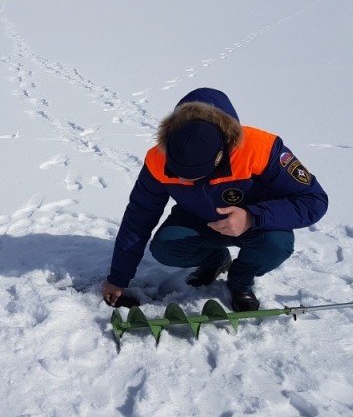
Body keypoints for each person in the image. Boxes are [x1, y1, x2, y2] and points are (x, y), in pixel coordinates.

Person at [102, 88, 327, 312]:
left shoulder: (260, 149)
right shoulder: (158, 159)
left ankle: (240, 282)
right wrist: (118, 278)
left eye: (193, 175)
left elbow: (313, 200)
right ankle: (215, 260)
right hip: (198, 220)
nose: (182, 180)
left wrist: (251, 217)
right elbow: (138, 217)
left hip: (257, 224)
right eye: (179, 173)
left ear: (220, 155)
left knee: (276, 245)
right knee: (165, 247)